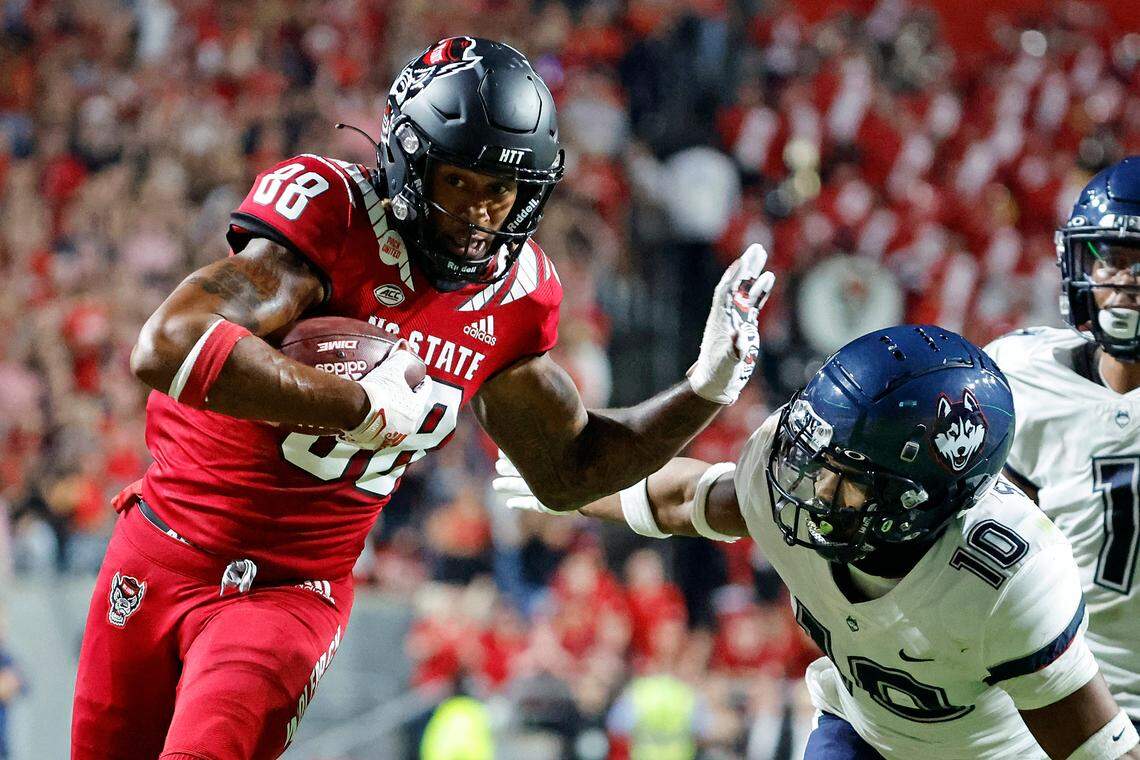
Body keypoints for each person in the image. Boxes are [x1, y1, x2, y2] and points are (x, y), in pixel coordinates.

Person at [69, 37, 777, 760]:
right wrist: (349, 404)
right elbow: (167, 344)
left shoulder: (515, 298)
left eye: (501, 191)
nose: (479, 214)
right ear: (410, 163)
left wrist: (705, 388)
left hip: (289, 591)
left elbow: (572, 472)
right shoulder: (332, 215)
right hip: (156, 549)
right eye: (459, 183)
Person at [496, 324, 1140, 759]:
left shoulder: (1008, 578)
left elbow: (1096, 749)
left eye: (851, 475)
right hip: (859, 733)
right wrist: (571, 483)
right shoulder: (787, 476)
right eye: (818, 454)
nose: (816, 485)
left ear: (925, 496)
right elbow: (680, 497)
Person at [986, 156, 1140, 732]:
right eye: (1113, 261)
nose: (1124, 283)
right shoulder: (1023, 374)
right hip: (1052, 698)